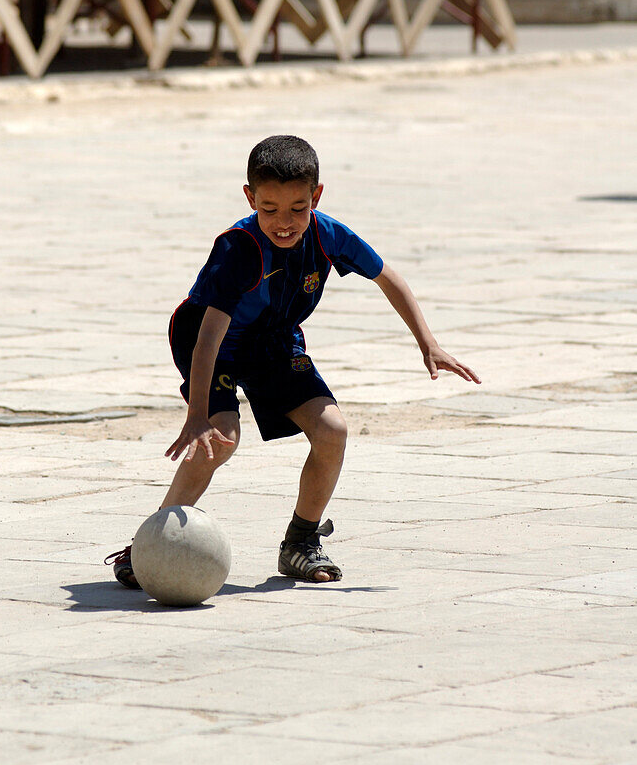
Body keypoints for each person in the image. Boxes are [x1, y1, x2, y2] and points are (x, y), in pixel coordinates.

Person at [106, 135, 480, 587]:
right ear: (250, 198)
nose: (284, 222)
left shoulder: (328, 235)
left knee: (332, 430)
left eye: (297, 208)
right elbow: (208, 337)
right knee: (219, 438)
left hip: (274, 340)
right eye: (269, 209)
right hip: (210, 339)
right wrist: (197, 415)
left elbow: (389, 278)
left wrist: (428, 342)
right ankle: (146, 547)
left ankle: (300, 542)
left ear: (316, 197)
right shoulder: (238, 249)